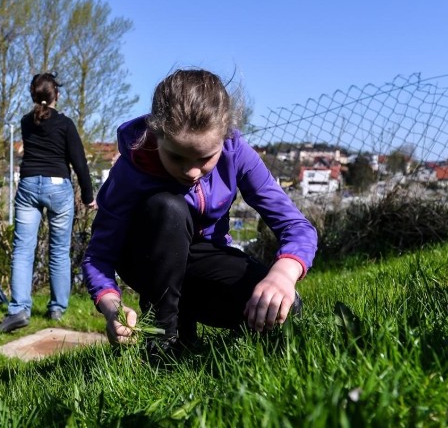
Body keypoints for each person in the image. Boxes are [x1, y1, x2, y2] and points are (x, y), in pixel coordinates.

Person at [81, 69, 318, 360]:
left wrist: (282, 275)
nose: (192, 172)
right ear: (157, 134)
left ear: (225, 136)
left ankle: (189, 315)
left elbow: (296, 226)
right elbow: (98, 256)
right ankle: (164, 341)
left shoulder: (237, 153)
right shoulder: (131, 170)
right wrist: (112, 308)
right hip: (148, 259)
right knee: (168, 207)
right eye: (177, 157)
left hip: (203, 258)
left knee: (284, 306)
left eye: (205, 158)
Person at [0, 73, 97, 333]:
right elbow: (79, 162)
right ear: (57, 95)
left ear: (33, 95)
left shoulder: (26, 122)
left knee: (22, 250)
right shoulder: (65, 124)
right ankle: (57, 308)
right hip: (57, 188)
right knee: (59, 250)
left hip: (28, 184)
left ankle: (18, 309)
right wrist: (88, 196)